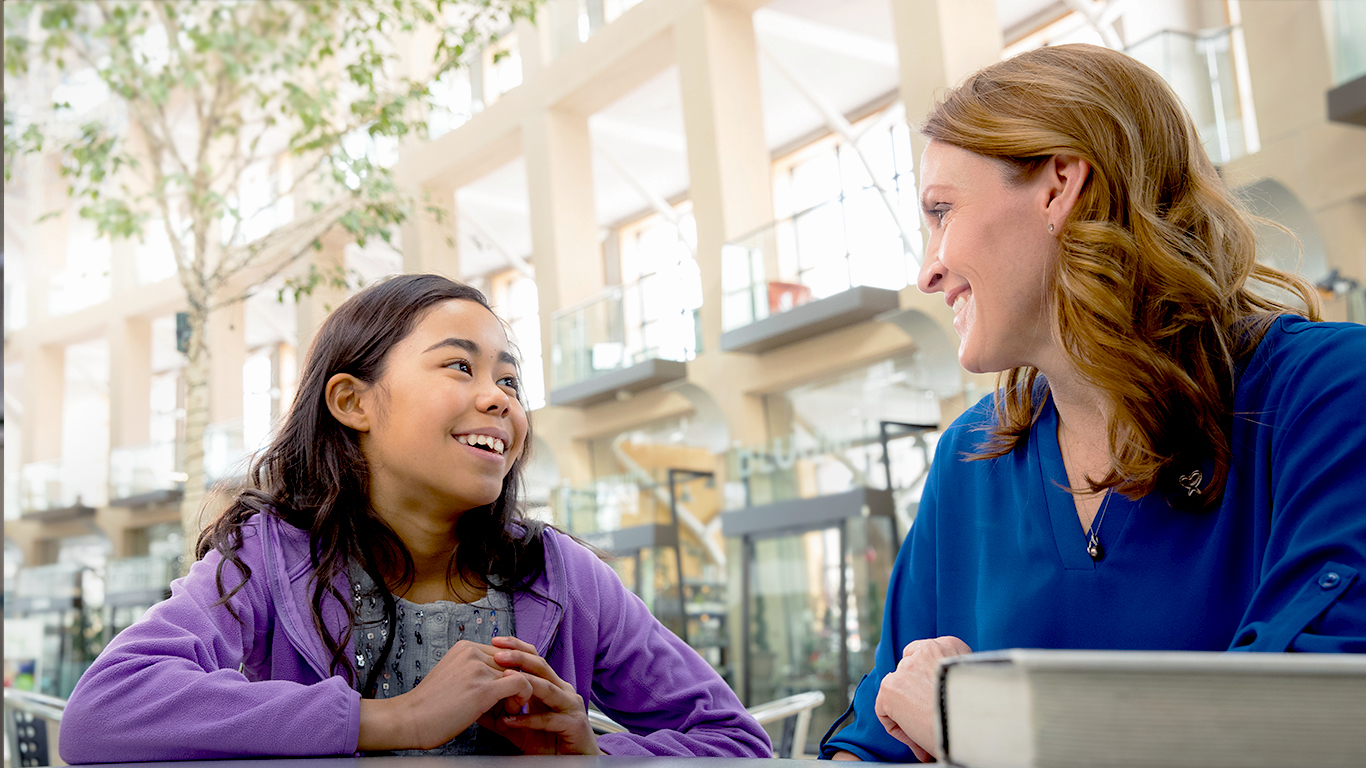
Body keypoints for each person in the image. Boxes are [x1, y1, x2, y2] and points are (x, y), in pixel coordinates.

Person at [821, 43, 1366, 763]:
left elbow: (1304, 734)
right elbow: (875, 739)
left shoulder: (1325, 396)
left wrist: (969, 727)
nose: (929, 271)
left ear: (1059, 187)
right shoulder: (970, 459)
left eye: (943, 212)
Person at [60, 274, 771, 762]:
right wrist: (392, 720)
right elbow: (105, 712)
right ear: (353, 402)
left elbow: (735, 742)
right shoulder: (268, 558)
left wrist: (590, 751)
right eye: (460, 367)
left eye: (511, 380)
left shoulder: (563, 575)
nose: (499, 399)